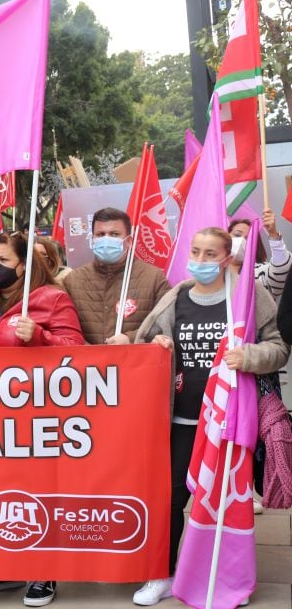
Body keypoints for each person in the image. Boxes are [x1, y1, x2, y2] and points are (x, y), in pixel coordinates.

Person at [135, 227, 288, 607]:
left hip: (229, 425)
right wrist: (158, 344)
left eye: (210, 254)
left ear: (227, 257)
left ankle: (223, 575)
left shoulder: (248, 297)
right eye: (196, 252)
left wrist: (249, 357)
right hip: (183, 422)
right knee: (169, 500)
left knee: (223, 505)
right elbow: (144, 342)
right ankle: (163, 574)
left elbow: (279, 347)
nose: (201, 261)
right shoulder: (177, 296)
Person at [0, 233, 83, 606]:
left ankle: (44, 571)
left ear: (24, 264)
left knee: (33, 492)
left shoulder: (51, 299)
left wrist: (40, 336)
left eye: (4, 261)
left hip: (31, 417)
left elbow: (79, 353)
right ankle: (4, 565)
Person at [62, 208, 171, 345]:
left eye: (114, 234)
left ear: (129, 241)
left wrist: (131, 338)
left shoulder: (154, 278)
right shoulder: (73, 280)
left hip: (135, 363)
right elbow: (64, 329)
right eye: (100, 234)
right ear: (93, 239)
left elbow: (164, 323)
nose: (106, 239)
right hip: (89, 364)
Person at [229, 208, 290, 299]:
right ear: (226, 237)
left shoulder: (260, 272)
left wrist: (273, 233)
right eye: (237, 235)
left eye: (249, 239)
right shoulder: (214, 271)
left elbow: (282, 270)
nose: (241, 240)